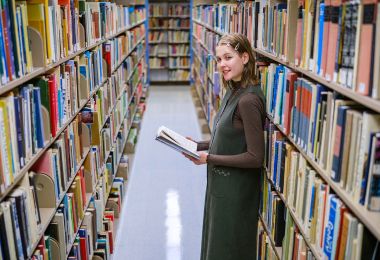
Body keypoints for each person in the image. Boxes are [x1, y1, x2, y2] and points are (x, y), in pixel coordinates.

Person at [184, 33, 266, 260]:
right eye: (219, 59)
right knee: (214, 244)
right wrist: (198, 144)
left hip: (236, 193)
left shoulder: (248, 100)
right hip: (221, 184)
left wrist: (208, 158)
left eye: (228, 58)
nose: (222, 65)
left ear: (245, 57)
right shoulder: (232, 90)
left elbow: (255, 157)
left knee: (227, 249)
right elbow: (227, 136)